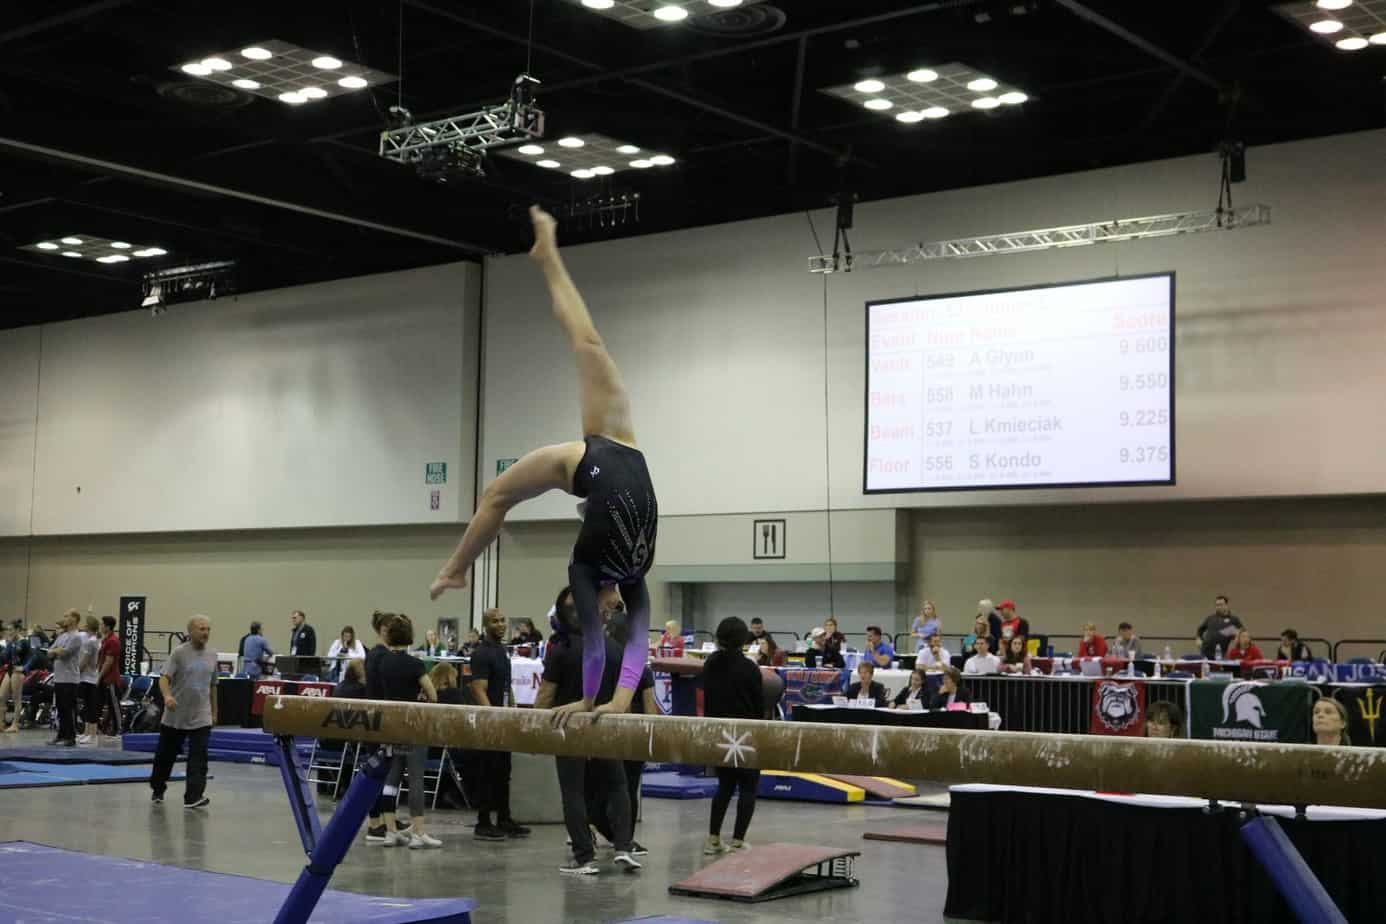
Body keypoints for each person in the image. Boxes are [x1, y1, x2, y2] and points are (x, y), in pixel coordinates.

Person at [431, 207, 658, 726]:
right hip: (617, 447)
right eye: (612, 609)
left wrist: (594, 701)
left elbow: (601, 643)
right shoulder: (634, 574)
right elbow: (635, 641)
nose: (609, 611)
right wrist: (614, 701)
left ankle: (457, 568)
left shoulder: (586, 570)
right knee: (588, 343)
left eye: (602, 609)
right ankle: (547, 254)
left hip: (592, 463)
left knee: (497, 495)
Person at [536, 586, 642, 875]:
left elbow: (545, 697)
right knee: (617, 786)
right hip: (604, 726)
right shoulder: (615, 648)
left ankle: (584, 857)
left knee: (573, 792)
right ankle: (623, 847)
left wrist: (532, 728)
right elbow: (624, 697)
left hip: (568, 728)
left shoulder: (561, 650)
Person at [371, 614, 443, 849]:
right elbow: (433, 695)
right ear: (410, 636)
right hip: (411, 726)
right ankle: (419, 833)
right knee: (415, 779)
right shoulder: (415, 664)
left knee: (391, 779)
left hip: (391, 726)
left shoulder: (383, 663)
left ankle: (391, 831)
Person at [702, 617, 764, 855]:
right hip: (746, 733)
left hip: (720, 733)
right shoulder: (750, 668)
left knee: (725, 785)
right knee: (748, 786)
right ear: (742, 640)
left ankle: (713, 839)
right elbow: (759, 705)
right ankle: (738, 841)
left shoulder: (710, 663)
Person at [470, 608, 529, 841]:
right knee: (488, 772)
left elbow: (506, 685)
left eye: (503, 620)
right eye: (495, 621)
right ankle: (483, 822)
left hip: (504, 719)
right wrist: (493, 716)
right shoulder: (481, 653)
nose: (501, 624)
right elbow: (478, 688)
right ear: (486, 625)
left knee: (504, 772)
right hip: (490, 721)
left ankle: (504, 818)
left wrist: (512, 710)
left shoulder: (502, 652)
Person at [150, 615, 217, 808]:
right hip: (176, 715)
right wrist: (167, 696)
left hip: (201, 715)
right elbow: (164, 678)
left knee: (199, 757)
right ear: (191, 631)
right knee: (165, 757)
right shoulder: (179, 653)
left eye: (208, 629)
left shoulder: (213, 655)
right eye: (201, 629)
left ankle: (193, 796)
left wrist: (214, 712)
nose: (205, 633)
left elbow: (213, 685)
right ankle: (158, 788)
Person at [365, 611, 412, 844]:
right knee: (381, 774)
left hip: (379, 718)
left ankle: (386, 819)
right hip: (379, 720)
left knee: (386, 773)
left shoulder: (379, 654)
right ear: (384, 630)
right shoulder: (380, 656)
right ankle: (376, 824)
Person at [47, 610, 84, 747]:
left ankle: (71, 736)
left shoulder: (76, 637)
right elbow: (49, 652)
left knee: (69, 709)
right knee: (61, 708)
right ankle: (61, 734)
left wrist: (57, 651)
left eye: (67, 616)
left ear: (74, 619)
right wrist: (56, 651)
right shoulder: (62, 636)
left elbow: (64, 653)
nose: (64, 618)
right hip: (59, 677)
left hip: (70, 679)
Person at [1194, 594, 1243, 659]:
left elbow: (1242, 632)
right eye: (1217, 605)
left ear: (1226, 605)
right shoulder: (1210, 618)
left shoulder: (1233, 619)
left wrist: (1237, 638)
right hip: (1205, 651)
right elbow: (1200, 630)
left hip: (1220, 653)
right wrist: (1198, 639)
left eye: (1221, 605)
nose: (1218, 607)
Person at [78, 614, 102, 744]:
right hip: (90, 676)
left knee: (90, 706)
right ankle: (86, 732)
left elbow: (85, 662)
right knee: (87, 706)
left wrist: (76, 672)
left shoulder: (90, 642)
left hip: (89, 678)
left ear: (88, 626)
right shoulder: (94, 640)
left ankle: (92, 734)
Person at [97, 616, 122, 736]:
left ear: (107, 627)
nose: (100, 627)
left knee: (114, 705)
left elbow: (108, 662)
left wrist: (99, 676)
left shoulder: (113, 641)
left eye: (102, 625)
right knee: (103, 704)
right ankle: (104, 727)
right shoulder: (105, 640)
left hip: (111, 679)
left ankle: (119, 728)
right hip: (104, 678)